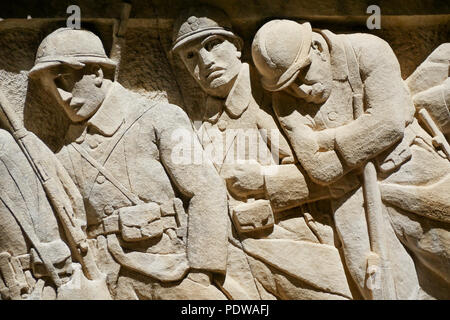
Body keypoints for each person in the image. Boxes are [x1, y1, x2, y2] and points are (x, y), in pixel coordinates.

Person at [252, 19, 450, 299]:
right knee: (377, 288)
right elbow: (320, 170)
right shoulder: (284, 101)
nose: (302, 91)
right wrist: (365, 134)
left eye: (302, 76)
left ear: (319, 48)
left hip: (411, 168)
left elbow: (390, 124)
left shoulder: (367, 50)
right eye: (289, 85)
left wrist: (328, 140)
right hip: (349, 199)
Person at [28, 27, 229, 299]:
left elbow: (206, 189)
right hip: (109, 282)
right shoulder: (64, 156)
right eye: (51, 87)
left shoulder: (161, 117)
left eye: (65, 81)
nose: (61, 96)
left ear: (97, 74)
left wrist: (201, 273)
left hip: (170, 270)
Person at [172, 6, 354, 300]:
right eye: (190, 55)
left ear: (238, 47)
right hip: (235, 262)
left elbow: (336, 177)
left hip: (296, 254)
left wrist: (265, 181)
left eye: (212, 44)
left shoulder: (276, 98)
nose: (205, 61)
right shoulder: (199, 122)